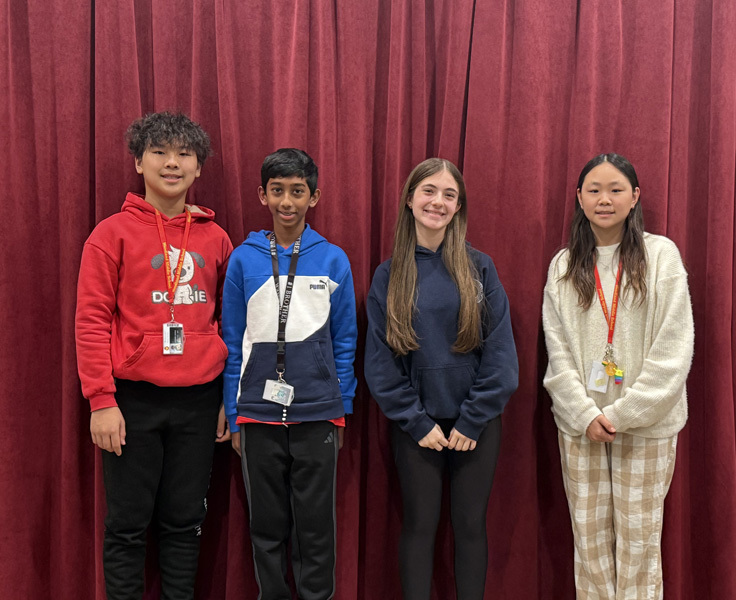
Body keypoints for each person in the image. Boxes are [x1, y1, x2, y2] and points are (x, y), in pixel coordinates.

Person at [75, 111, 233, 599]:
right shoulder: (111, 234)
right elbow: (91, 321)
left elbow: (231, 323)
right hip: (131, 401)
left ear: (199, 168)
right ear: (138, 162)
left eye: (184, 154)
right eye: (160, 152)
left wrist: (228, 397)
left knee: (185, 523)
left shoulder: (217, 238)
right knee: (127, 525)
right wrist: (102, 400)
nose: (172, 163)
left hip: (200, 401)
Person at [365, 158, 518, 600]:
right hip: (418, 428)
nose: (438, 201)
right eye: (429, 191)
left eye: (449, 195)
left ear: (458, 207)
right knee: (418, 526)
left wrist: (473, 419)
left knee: (470, 526)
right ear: (410, 200)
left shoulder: (480, 268)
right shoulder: (389, 274)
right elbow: (380, 363)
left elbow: (502, 355)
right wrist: (416, 422)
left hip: (477, 426)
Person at [542, 153, 694, 599]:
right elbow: (558, 353)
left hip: (647, 426)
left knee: (638, 545)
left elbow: (674, 349)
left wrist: (625, 413)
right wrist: (585, 413)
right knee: (588, 545)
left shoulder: (660, 255)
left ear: (635, 198)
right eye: (594, 190)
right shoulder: (564, 265)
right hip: (581, 427)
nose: (604, 199)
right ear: (579, 198)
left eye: (615, 190)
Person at [221, 148, 357, 600]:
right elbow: (232, 339)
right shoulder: (244, 259)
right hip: (257, 414)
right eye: (277, 191)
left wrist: (342, 406)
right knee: (266, 528)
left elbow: (344, 341)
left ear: (313, 197)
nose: (286, 202)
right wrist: (233, 410)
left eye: (297, 191)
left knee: (316, 530)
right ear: (262, 194)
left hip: (318, 413)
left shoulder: (333, 259)